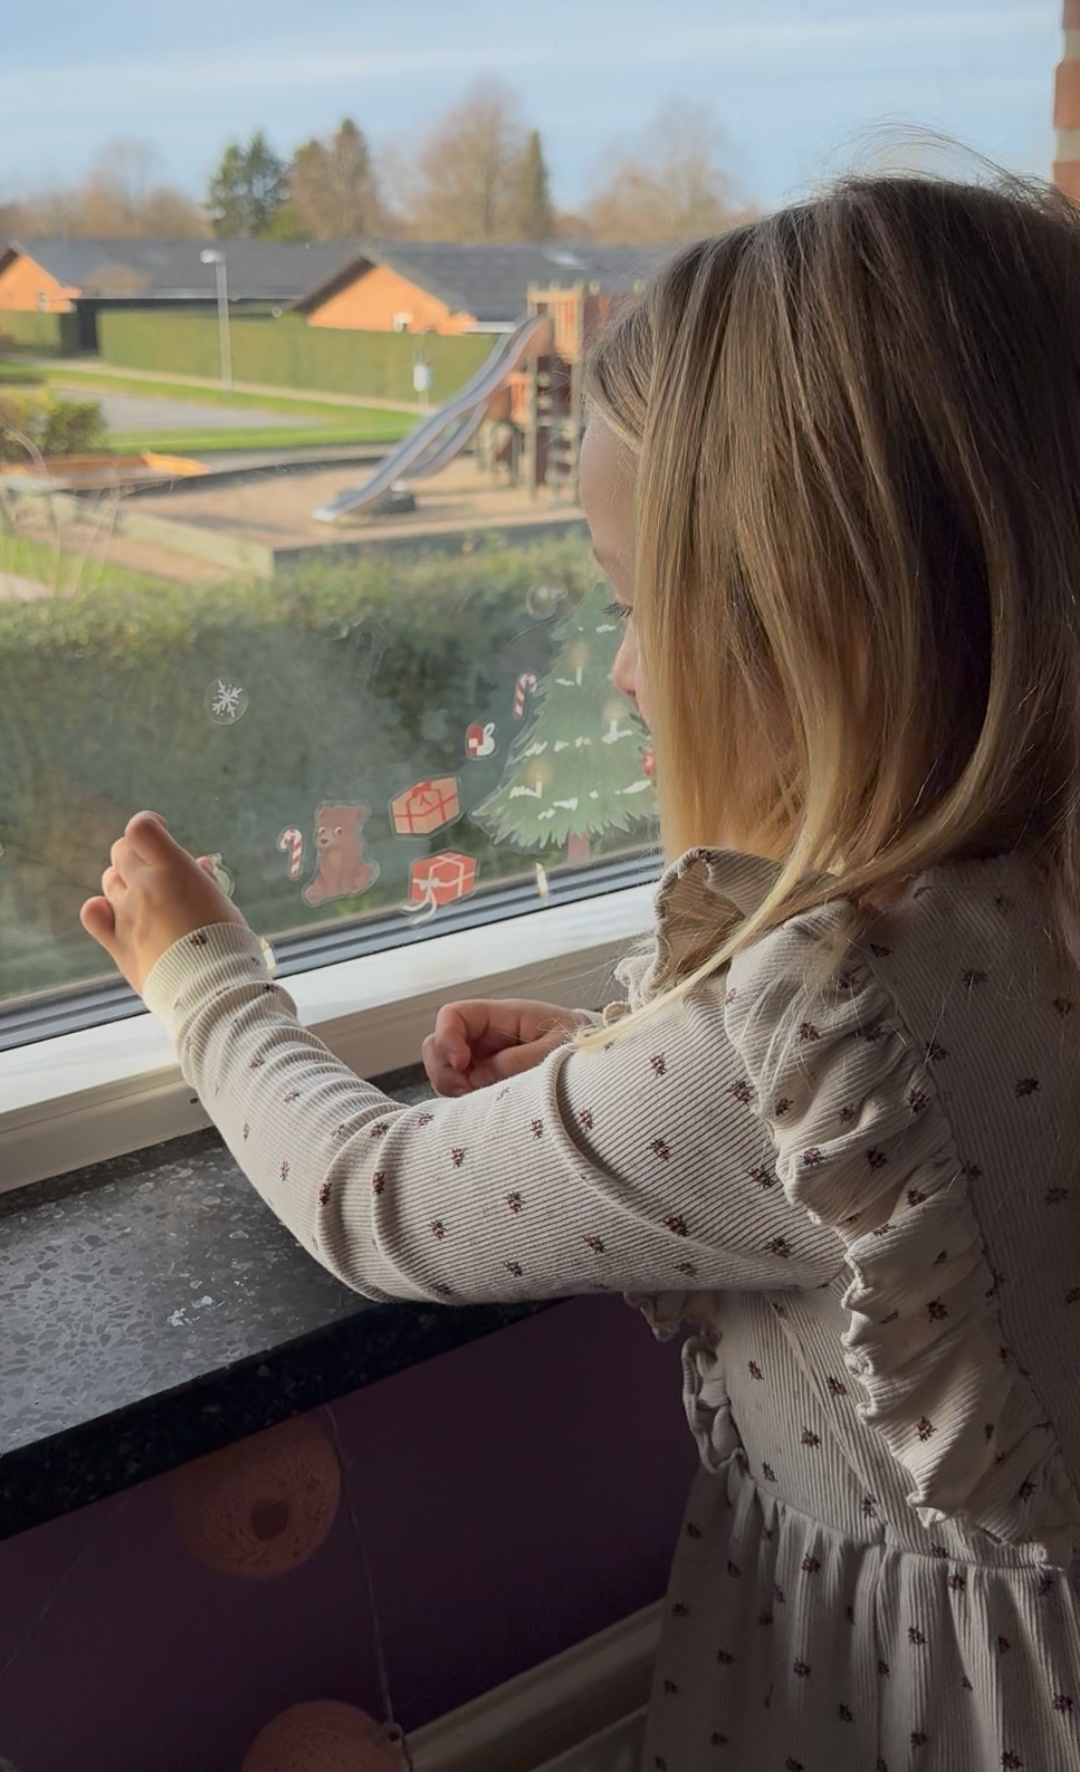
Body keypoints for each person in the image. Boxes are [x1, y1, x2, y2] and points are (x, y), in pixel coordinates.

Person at [82, 172, 1080, 1772]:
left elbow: (371, 1196)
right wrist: (619, 1054)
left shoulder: (828, 1013)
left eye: (634, 609)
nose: (620, 672)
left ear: (820, 625)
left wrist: (203, 978)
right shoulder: (1026, 902)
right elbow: (903, 1164)